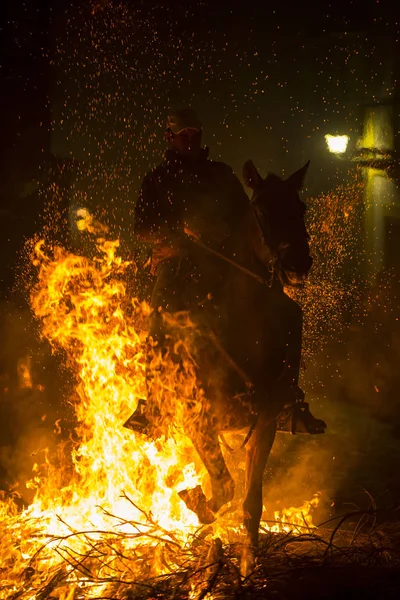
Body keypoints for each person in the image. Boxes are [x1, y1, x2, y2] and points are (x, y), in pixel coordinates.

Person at [134, 108, 250, 325]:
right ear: (170, 137)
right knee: (162, 309)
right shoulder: (156, 180)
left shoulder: (221, 174)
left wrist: (223, 231)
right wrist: (180, 228)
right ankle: (157, 350)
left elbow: (245, 214)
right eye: (183, 136)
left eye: (194, 136)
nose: (190, 141)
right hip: (175, 260)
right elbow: (141, 228)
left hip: (224, 255)